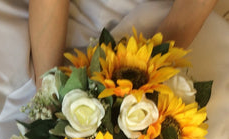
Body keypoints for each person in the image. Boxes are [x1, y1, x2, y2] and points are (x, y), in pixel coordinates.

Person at [28, 0, 218, 89]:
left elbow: (192, 9)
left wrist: (148, 77)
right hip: (61, 14)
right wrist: (48, 86)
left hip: (162, 19)